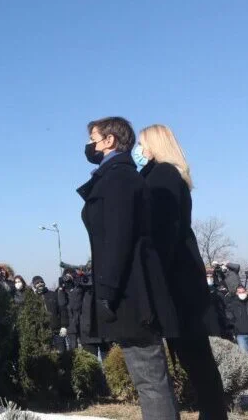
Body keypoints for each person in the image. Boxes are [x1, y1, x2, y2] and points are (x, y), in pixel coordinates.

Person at [78, 117, 179, 419]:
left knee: (149, 380)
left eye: (94, 139)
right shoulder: (118, 176)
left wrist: (107, 290)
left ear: (109, 141)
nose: (90, 146)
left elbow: (118, 239)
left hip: (130, 292)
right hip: (129, 287)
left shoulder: (119, 178)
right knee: (150, 378)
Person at [135, 123, 227, 419]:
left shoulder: (161, 175)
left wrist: (151, 274)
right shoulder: (168, 175)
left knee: (195, 358)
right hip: (183, 277)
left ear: (153, 146)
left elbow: (163, 233)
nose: (137, 150)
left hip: (176, 281)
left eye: (140, 144)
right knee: (196, 359)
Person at [32, 275, 67, 352]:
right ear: (34, 285)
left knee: (62, 353)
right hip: (43, 334)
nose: (40, 284)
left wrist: (64, 326)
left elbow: (62, 310)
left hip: (57, 331)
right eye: (37, 283)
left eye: (41, 282)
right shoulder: (33, 299)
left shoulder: (53, 294)